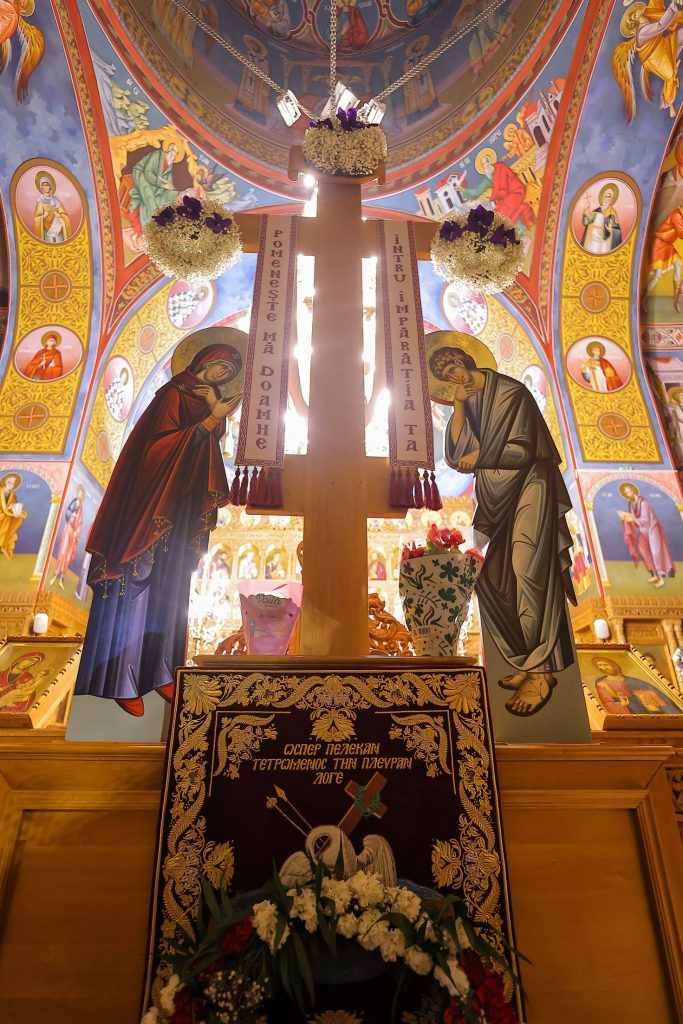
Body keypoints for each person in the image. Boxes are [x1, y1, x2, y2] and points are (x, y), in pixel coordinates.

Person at [74, 343, 243, 717]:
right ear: (203, 362)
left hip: (179, 511)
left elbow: (202, 451)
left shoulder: (208, 400)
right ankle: (118, 680)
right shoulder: (174, 393)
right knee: (137, 581)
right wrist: (210, 421)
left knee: (170, 589)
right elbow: (156, 450)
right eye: (219, 366)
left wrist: (213, 419)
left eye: (229, 373)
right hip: (148, 507)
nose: (221, 375)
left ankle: (162, 672)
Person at [432, 343, 576, 717]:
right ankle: (527, 661)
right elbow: (455, 455)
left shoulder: (512, 393)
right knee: (491, 577)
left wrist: (483, 456)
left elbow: (525, 449)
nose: (454, 378)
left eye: (455, 370)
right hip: (495, 497)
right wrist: (458, 405)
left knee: (529, 568)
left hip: (531, 485)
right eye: (447, 378)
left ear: (466, 361)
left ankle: (542, 672)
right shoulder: (467, 403)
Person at [462, 149, 535, 237]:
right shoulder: (487, 179)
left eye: (486, 161)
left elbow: (512, 177)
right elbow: (476, 192)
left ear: (490, 161)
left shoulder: (500, 166)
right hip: (505, 199)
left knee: (505, 211)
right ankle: (515, 233)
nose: (486, 165)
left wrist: (502, 193)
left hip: (516, 191)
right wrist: (463, 190)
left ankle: (520, 230)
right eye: (483, 164)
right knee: (497, 214)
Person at [617, 482, 675, 587]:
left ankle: (661, 578)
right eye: (626, 493)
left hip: (652, 529)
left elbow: (645, 519)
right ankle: (654, 574)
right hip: (643, 530)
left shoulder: (643, 502)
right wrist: (626, 518)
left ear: (633, 490)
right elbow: (634, 520)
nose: (628, 494)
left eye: (629, 492)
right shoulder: (630, 504)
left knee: (655, 553)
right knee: (642, 550)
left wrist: (631, 518)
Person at [592, 656, 680, 715]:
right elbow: (608, 703)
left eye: (605, 665)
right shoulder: (602, 684)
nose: (603, 668)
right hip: (630, 714)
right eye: (599, 666)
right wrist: (622, 704)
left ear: (614, 666)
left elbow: (657, 698)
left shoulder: (634, 682)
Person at [128, 140, 182, 235]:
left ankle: (152, 226)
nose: (173, 155)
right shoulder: (157, 155)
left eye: (176, 153)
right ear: (169, 149)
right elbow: (148, 172)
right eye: (173, 150)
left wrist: (171, 188)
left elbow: (167, 181)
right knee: (149, 197)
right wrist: (161, 184)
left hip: (155, 183)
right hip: (141, 175)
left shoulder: (170, 165)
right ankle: (149, 229)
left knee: (161, 200)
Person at [645, 206, 683, 311]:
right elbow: (681, 233)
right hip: (659, 245)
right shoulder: (676, 216)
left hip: (667, 245)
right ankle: (643, 299)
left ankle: (675, 297)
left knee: (678, 263)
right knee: (657, 274)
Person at [51, 485, 85, 589]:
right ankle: (56, 573)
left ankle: (62, 577)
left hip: (73, 534)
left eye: (82, 494)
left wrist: (76, 532)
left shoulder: (81, 508)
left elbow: (80, 523)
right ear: (77, 493)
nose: (80, 495)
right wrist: (71, 515)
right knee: (63, 552)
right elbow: (67, 512)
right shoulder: (74, 502)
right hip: (68, 530)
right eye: (79, 493)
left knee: (68, 555)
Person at [580, 184, 622, 254]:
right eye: (606, 196)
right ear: (602, 196)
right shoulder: (597, 210)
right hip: (593, 238)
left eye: (610, 197)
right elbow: (586, 222)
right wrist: (586, 211)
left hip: (605, 241)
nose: (608, 199)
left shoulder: (612, 212)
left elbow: (617, 230)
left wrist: (610, 230)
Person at [33, 172, 72, 243]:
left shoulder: (56, 201)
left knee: (60, 245)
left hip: (57, 229)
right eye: (43, 185)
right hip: (46, 231)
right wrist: (44, 216)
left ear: (50, 186)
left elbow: (65, 215)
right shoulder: (40, 201)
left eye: (47, 185)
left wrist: (60, 215)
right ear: (41, 187)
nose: (45, 187)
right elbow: (36, 218)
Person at [0, 472, 27, 558]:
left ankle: (2, 547)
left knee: (6, 532)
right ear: (6, 482)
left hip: (7, 517)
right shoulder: (0, 491)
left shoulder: (12, 495)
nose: (12, 485)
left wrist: (17, 510)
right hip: (1, 515)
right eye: (10, 482)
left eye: (13, 483)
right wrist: (14, 514)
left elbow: (14, 507)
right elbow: (4, 509)